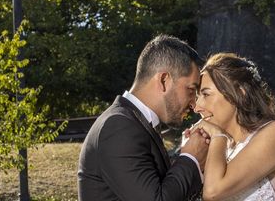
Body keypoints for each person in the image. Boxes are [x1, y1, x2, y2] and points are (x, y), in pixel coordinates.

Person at [78, 34, 210, 201]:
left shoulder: (134, 123)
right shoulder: (118, 126)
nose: (193, 103)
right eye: (191, 90)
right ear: (164, 80)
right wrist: (190, 158)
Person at [189, 53, 275, 201]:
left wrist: (218, 136)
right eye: (197, 97)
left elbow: (212, 192)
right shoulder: (221, 149)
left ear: (240, 92)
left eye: (206, 94)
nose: (197, 107)